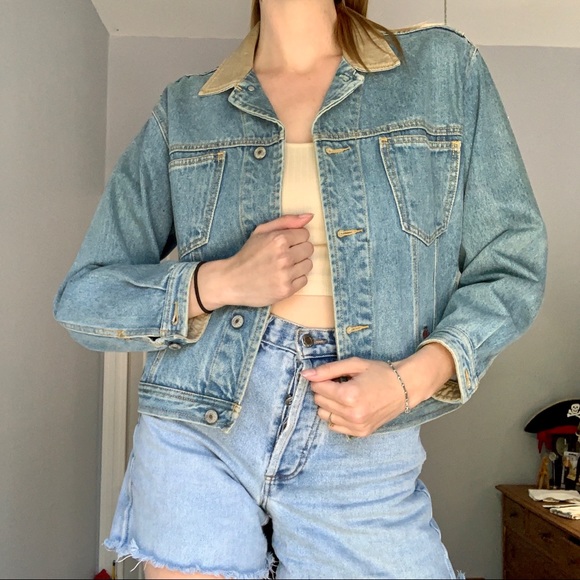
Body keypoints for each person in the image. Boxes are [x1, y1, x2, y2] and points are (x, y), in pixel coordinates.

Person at [54, 1, 547, 578]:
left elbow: (512, 263)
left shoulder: (442, 69)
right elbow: (84, 297)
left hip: (361, 440)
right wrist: (218, 281)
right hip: (198, 426)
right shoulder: (187, 108)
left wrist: (409, 382)